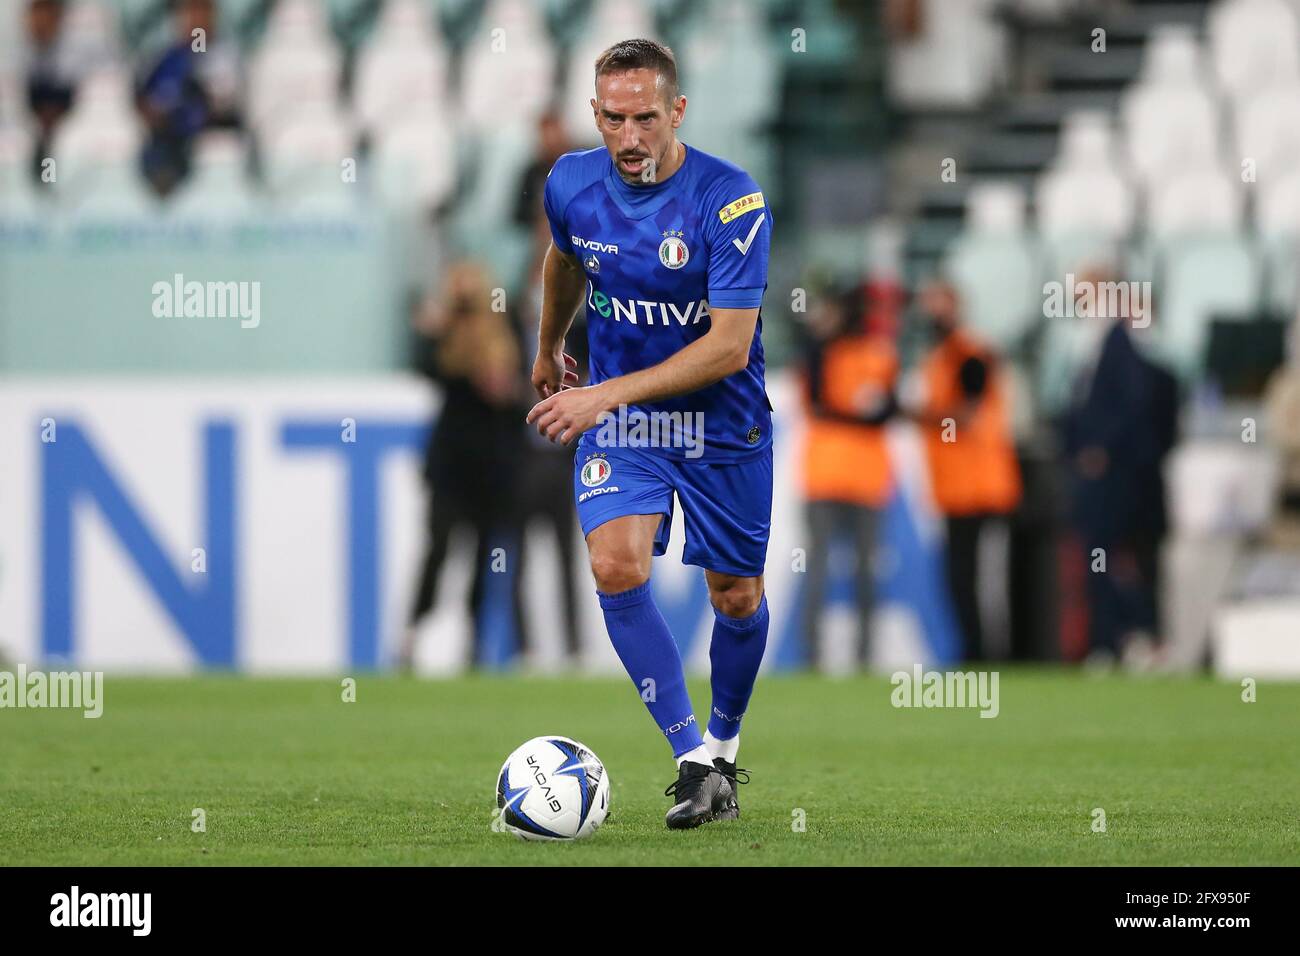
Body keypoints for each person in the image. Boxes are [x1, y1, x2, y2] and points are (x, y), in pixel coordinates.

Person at [525, 39, 773, 829]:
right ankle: (691, 756)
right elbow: (565, 259)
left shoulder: (730, 201)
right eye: (612, 120)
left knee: (735, 595)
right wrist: (548, 344)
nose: (629, 138)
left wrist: (601, 393)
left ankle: (725, 748)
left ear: (678, 112)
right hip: (627, 423)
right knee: (615, 564)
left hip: (720, 423)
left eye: (645, 119)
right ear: (594, 114)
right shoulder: (570, 182)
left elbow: (729, 345)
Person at [402, 261, 529, 672]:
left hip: (494, 468)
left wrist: (506, 389)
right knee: (438, 548)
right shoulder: (447, 337)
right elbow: (426, 368)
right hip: (453, 467)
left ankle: (474, 643)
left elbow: (524, 391)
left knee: (484, 557)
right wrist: (437, 328)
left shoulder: (505, 328)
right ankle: (413, 631)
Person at [1062, 270, 1177, 666]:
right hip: (1112, 479)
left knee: (1113, 560)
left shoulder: (1119, 345)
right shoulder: (1097, 346)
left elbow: (1130, 408)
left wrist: (1100, 449)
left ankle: (1119, 640)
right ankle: (1122, 638)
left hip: (1117, 481)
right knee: (1109, 561)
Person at [913, 281, 1022, 661]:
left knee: (982, 579)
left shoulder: (969, 354)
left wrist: (918, 415)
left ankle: (994, 656)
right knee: (961, 578)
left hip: (981, 486)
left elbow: (966, 414)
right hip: (956, 487)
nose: (931, 314)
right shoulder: (943, 355)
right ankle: (974, 654)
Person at [799, 283, 899, 670]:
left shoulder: (877, 354)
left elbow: (887, 408)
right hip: (832, 476)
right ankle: (817, 657)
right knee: (826, 573)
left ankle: (859, 658)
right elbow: (819, 402)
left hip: (859, 477)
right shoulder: (825, 351)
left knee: (859, 574)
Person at [136, 0, 241, 194]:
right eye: (191, 12)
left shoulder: (224, 54)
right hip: (167, 139)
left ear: (213, 16)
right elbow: (145, 98)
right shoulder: (166, 57)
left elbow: (223, 104)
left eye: (201, 12)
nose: (196, 20)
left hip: (207, 135)